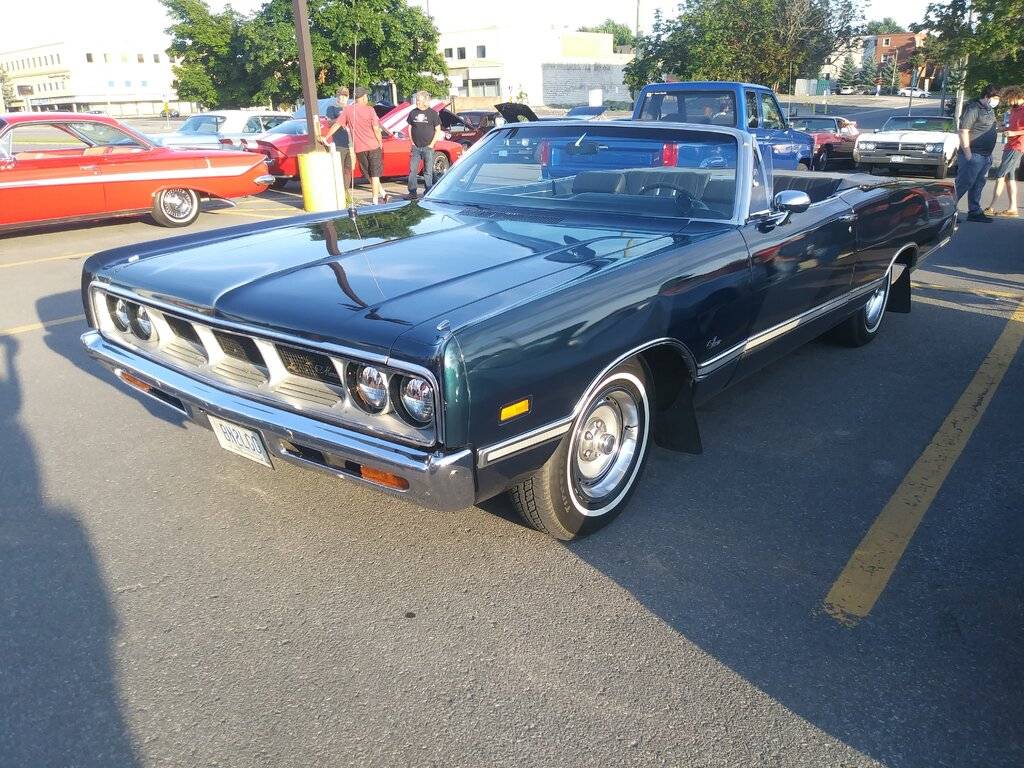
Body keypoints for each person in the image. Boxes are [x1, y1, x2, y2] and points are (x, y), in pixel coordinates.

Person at [321, 86, 386, 204]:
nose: (367, 98)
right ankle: (375, 199)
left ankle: (382, 194)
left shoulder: (348, 110)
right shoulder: (369, 110)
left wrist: (326, 137)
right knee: (374, 173)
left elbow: (337, 125)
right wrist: (380, 142)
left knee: (366, 172)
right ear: (363, 97)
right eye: (366, 96)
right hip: (370, 145)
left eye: (345, 96)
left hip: (358, 147)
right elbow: (376, 128)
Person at [955, 84, 1001, 223]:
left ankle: (974, 211)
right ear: (987, 96)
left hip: (986, 155)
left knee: (978, 184)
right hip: (973, 154)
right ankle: (947, 212)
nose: (997, 101)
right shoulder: (973, 108)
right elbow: (963, 131)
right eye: (995, 98)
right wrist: (967, 153)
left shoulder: (989, 110)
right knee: (963, 184)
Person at [984, 85, 1024, 218]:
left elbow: (1018, 130)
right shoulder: (1014, 110)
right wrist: (1002, 129)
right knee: (1009, 178)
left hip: (1017, 146)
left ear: (1016, 96)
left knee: (1000, 175)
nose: (1008, 102)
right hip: (1009, 146)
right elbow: (1011, 126)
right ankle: (1013, 208)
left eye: (1009, 99)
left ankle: (991, 206)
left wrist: (1014, 133)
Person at [406, 90, 442, 199]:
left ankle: (428, 192)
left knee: (428, 171)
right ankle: (412, 192)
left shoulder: (433, 113)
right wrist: (412, 142)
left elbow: (438, 129)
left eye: (419, 100)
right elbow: (409, 127)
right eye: (417, 100)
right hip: (416, 147)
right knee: (413, 170)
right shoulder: (413, 113)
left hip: (428, 147)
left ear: (425, 101)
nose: (417, 102)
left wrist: (431, 144)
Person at [323, 87, 354, 202]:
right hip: (339, 143)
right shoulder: (332, 108)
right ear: (337, 96)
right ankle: (340, 193)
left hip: (350, 143)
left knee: (348, 169)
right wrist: (341, 118)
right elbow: (329, 123)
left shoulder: (351, 108)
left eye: (345, 96)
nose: (343, 98)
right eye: (340, 95)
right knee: (339, 169)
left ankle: (346, 191)